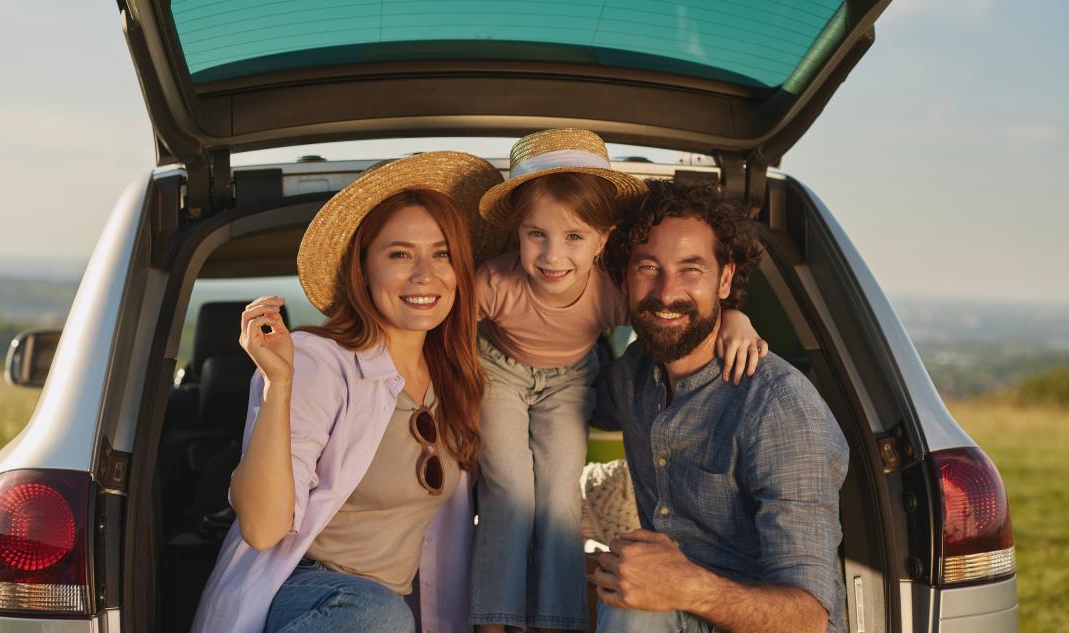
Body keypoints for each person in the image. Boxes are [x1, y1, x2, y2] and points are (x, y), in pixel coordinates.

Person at [190, 151, 507, 633]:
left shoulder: (458, 377)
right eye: (400, 254)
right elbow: (262, 528)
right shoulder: (316, 361)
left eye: (442, 254)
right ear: (363, 269)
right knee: (376, 612)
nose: (424, 274)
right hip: (307, 592)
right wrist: (278, 384)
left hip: (387, 613)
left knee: (383, 612)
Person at [469, 129, 768, 633]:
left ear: (603, 239)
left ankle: (556, 621)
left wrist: (735, 316)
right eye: (536, 234)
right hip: (498, 371)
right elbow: (443, 338)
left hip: (568, 383)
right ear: (517, 230)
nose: (552, 256)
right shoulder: (494, 281)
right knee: (510, 488)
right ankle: (492, 623)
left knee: (560, 495)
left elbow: (670, 314)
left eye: (574, 237)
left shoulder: (610, 292)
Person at [590, 180, 850, 633]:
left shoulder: (778, 406)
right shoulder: (634, 375)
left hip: (762, 622)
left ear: (724, 279)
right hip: (674, 610)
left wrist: (685, 588)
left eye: (691, 269)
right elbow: (566, 392)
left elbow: (808, 616)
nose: (667, 292)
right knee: (576, 573)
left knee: (633, 605)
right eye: (648, 267)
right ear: (625, 278)